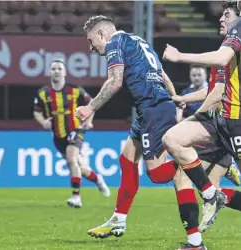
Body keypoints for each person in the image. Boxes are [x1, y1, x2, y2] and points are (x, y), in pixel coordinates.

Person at [76, 15, 222, 250]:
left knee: (158, 174)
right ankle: (119, 219)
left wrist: (90, 107)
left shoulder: (115, 43)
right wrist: (174, 101)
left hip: (152, 108)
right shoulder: (137, 40)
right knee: (126, 158)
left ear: (103, 34)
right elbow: (162, 75)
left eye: (92, 41)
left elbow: (115, 81)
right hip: (153, 108)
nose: (91, 47)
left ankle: (202, 162)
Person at [162, 0, 241, 234]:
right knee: (173, 139)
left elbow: (219, 62)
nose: (221, 19)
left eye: (226, 14)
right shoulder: (227, 46)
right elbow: (215, 90)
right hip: (220, 120)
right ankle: (211, 196)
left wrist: (179, 57)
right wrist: (186, 103)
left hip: (237, 123)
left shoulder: (237, 31)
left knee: (182, 175)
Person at [33, 59, 110, 208]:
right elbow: (36, 112)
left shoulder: (74, 90)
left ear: (64, 72)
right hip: (58, 135)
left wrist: (88, 121)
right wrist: (43, 122)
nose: (56, 71)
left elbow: (91, 103)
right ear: (50, 72)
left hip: (76, 130)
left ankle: (76, 196)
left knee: (71, 159)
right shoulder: (43, 93)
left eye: (59, 69)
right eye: (54, 68)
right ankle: (98, 180)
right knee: (80, 168)